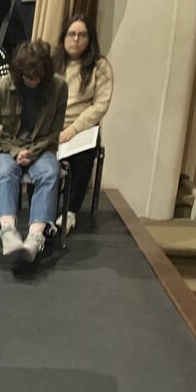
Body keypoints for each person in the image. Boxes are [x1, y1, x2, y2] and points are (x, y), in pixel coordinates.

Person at [0, 40, 68, 265]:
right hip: (6, 147)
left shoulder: (59, 87)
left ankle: (35, 236)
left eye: (37, 77)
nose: (32, 82)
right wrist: (15, 152)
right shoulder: (3, 87)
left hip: (42, 148)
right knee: (6, 169)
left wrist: (31, 152)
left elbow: (55, 132)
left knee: (49, 172)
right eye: (27, 77)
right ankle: (8, 232)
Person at [53, 13, 114, 231]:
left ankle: (69, 212)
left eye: (82, 35)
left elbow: (100, 105)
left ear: (90, 39)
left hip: (82, 128)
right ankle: (44, 210)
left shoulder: (100, 66)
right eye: (71, 34)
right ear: (64, 37)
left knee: (84, 155)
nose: (76, 40)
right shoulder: (53, 63)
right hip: (52, 126)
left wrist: (74, 129)